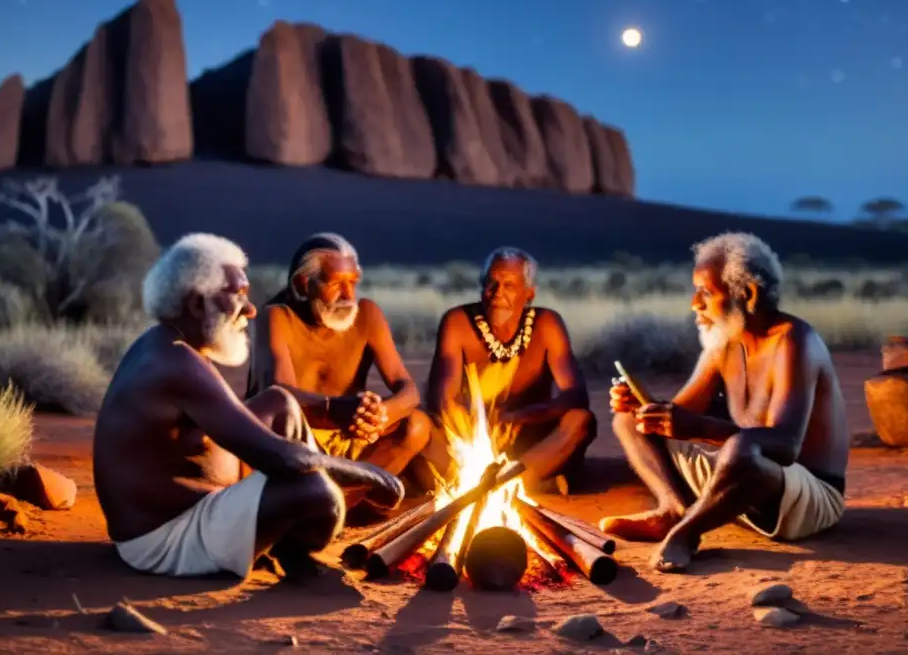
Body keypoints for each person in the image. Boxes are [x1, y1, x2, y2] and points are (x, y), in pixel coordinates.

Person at [93, 233, 404, 581]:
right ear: (197, 304)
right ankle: (291, 552)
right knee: (316, 492)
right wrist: (373, 476)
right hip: (164, 541)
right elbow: (281, 458)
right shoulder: (177, 365)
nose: (251, 308)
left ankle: (281, 545)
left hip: (180, 516)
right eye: (238, 295)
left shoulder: (165, 344)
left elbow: (246, 424)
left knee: (280, 403)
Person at [602, 232, 849, 572]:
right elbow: (678, 418)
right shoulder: (724, 344)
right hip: (741, 476)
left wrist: (702, 428)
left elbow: (786, 446)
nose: (694, 303)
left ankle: (686, 533)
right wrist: (645, 407)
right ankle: (674, 510)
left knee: (741, 447)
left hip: (806, 498)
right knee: (631, 419)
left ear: (746, 294)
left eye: (706, 292)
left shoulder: (795, 341)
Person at [250, 233, 435, 513]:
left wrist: (379, 415)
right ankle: (319, 507)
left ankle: (338, 507)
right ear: (304, 283)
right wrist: (335, 409)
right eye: (336, 284)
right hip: (299, 438)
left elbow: (408, 391)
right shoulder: (276, 317)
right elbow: (280, 395)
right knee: (280, 426)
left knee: (417, 425)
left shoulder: (368, 315)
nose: (349, 296)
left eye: (353, 282)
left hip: (350, 436)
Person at [426, 247, 596, 495]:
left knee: (581, 420)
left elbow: (576, 395)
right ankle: (527, 485)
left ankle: (509, 485)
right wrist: (479, 428)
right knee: (418, 426)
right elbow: (442, 400)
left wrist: (520, 417)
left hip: (531, 442)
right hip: (468, 440)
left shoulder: (547, 324)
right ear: (481, 285)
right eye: (491, 284)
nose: (497, 294)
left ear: (529, 294)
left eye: (509, 286)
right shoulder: (458, 322)